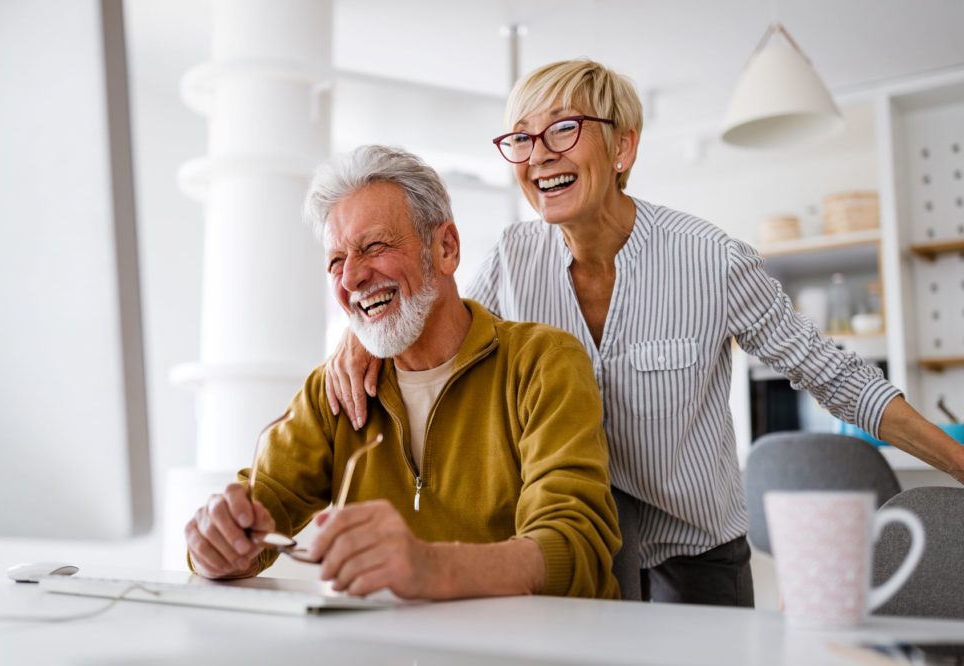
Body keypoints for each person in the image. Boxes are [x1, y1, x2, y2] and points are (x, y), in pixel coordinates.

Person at [324, 59, 964, 607]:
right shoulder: (514, 258)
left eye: (564, 130)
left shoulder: (712, 261)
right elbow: (440, 329)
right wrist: (364, 333)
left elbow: (837, 377)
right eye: (521, 139)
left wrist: (957, 462)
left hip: (696, 560)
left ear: (623, 147)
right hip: (577, 556)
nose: (540, 153)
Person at [185, 144, 621, 601]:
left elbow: (575, 550)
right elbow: (258, 511)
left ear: (446, 249)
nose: (351, 278)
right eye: (336, 261)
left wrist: (430, 567)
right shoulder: (333, 390)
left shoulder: (542, 362)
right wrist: (217, 545)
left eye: (374, 246)